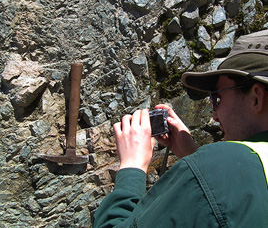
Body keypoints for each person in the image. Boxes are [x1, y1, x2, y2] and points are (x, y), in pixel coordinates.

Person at [93, 30, 268, 228]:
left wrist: (132, 167)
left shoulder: (222, 164)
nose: (215, 115)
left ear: (256, 98)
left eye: (217, 98)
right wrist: (191, 156)